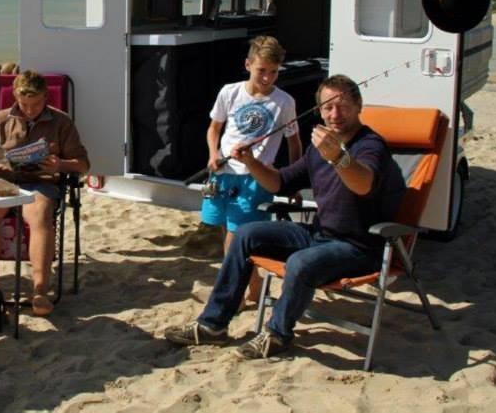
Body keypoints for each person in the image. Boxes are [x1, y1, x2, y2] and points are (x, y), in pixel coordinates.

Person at [164, 74, 406, 360]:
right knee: (245, 234)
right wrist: (251, 162)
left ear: (358, 106)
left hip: (359, 246)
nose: (335, 114)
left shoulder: (370, 145)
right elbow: (279, 183)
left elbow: (363, 184)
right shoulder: (320, 147)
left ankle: (278, 335)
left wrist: (339, 158)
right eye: (327, 107)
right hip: (319, 235)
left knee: (300, 262)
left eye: (343, 106)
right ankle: (213, 325)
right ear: (319, 110)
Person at [186, 36, 302, 305]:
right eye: (262, 70)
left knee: (237, 238)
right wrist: (213, 155)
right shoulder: (230, 92)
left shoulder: (284, 102)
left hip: (255, 178)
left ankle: (234, 294)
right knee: (226, 230)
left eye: (274, 72)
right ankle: (254, 287)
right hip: (223, 174)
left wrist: (293, 180)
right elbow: (214, 129)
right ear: (248, 64)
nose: (267, 77)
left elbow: (294, 141)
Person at [0, 70, 89, 316]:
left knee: (41, 215)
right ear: (15, 96)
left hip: (40, 182)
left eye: (36, 104)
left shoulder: (61, 122)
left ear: (46, 97)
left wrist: (61, 165)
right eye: (24, 104)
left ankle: (40, 290)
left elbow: (83, 164)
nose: (30, 110)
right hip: (5, 183)